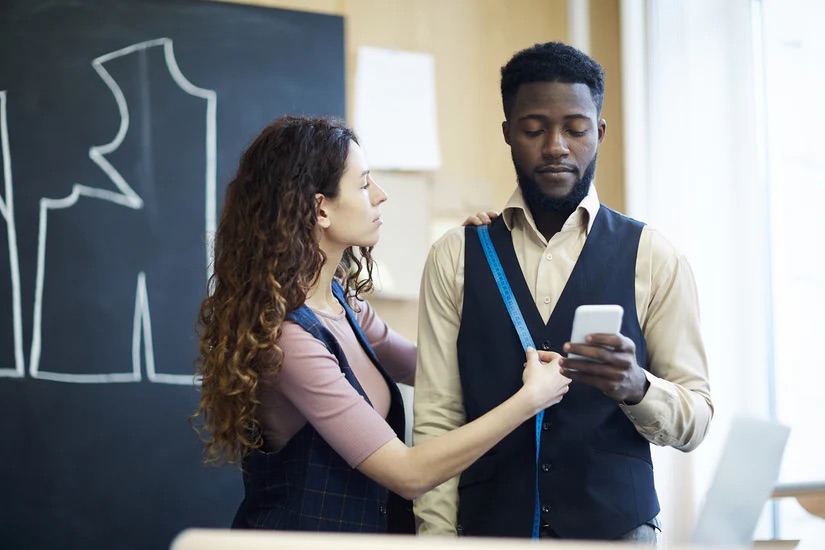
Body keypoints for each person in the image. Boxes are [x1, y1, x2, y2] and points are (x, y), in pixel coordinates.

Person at [191, 115, 571, 534]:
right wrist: (530, 399)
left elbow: (434, 366)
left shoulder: (342, 303)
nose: (381, 196)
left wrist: (475, 263)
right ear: (320, 209)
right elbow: (408, 474)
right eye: (364, 183)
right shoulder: (289, 342)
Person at [412, 42, 713, 543]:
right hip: (489, 532)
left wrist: (637, 386)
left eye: (574, 129)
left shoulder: (654, 256)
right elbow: (439, 418)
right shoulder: (456, 255)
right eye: (533, 129)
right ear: (508, 133)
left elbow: (697, 417)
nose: (555, 146)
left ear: (598, 133)